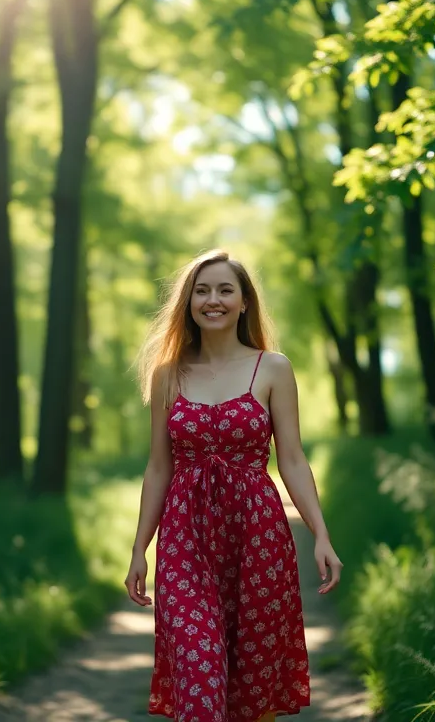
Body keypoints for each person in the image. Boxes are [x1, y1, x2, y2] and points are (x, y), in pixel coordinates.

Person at [127, 249, 343, 722]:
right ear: (188, 303)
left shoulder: (273, 368)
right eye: (201, 291)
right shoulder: (167, 375)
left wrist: (321, 534)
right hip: (185, 539)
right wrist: (140, 548)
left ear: (244, 301)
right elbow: (159, 468)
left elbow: (291, 459)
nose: (213, 300)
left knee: (251, 688)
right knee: (198, 672)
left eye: (225, 290)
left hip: (258, 539)